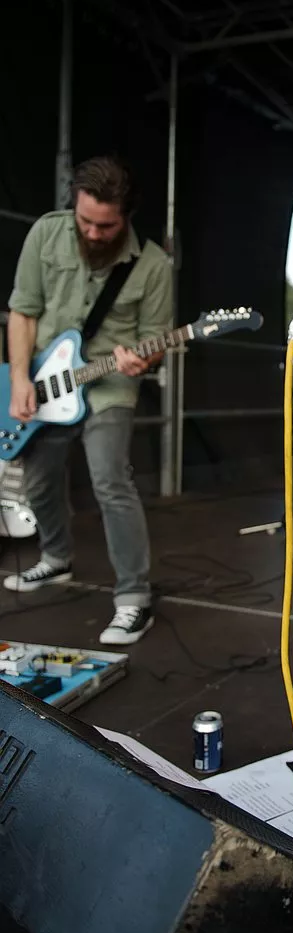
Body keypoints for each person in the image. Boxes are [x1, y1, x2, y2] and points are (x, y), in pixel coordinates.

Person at [4, 156, 173, 645]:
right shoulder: (46, 233)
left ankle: (134, 597)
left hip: (109, 383)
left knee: (110, 479)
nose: (94, 234)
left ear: (126, 216)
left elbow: (155, 341)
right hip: (44, 380)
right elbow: (23, 311)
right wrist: (20, 379)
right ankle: (55, 558)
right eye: (85, 222)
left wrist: (142, 359)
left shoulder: (152, 265)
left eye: (107, 226)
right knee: (37, 481)